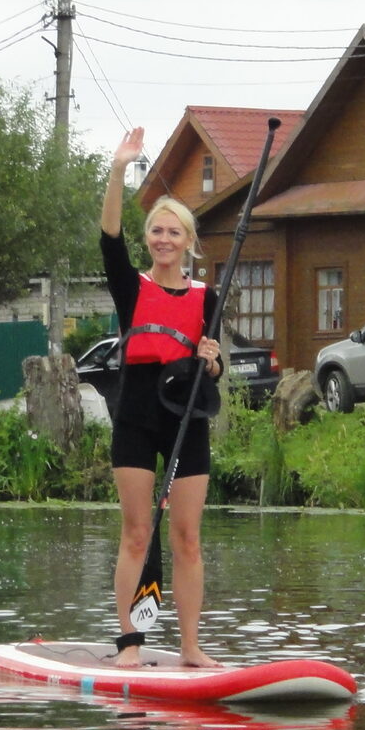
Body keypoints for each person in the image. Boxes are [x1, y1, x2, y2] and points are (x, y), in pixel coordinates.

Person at [102, 128, 224, 670]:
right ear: (148, 238)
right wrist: (118, 170)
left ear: (188, 241)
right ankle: (131, 641)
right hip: (137, 414)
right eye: (156, 231)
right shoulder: (132, 287)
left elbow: (215, 364)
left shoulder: (206, 296)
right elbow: (108, 239)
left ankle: (191, 646)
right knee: (136, 532)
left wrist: (213, 359)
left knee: (188, 539)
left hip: (186, 418)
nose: (164, 239)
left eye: (174, 232)